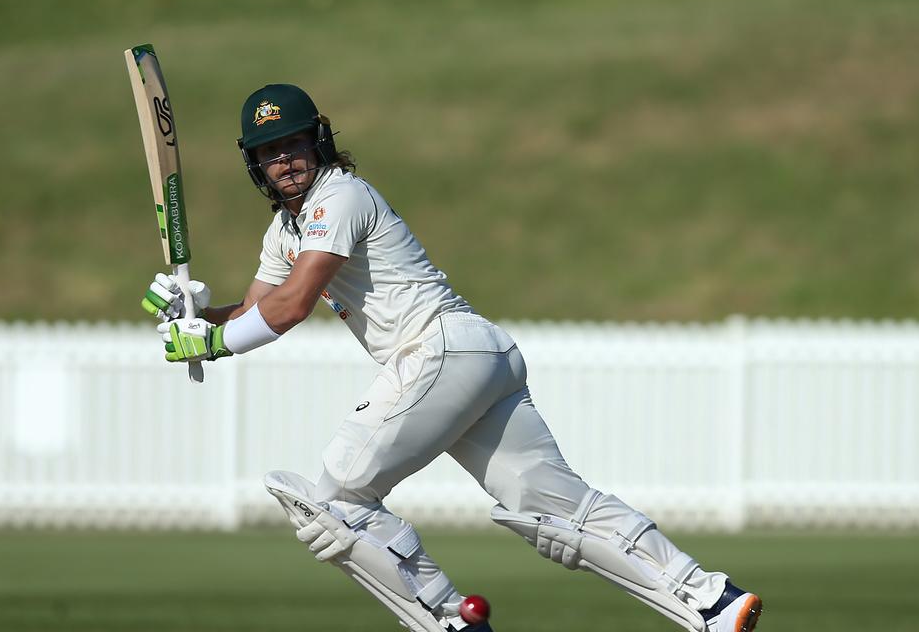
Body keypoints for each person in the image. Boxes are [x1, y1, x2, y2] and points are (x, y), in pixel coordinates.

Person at [141, 84, 764, 632]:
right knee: (555, 507)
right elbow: (258, 305)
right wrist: (197, 314)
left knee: (335, 501)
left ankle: (446, 618)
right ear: (256, 165)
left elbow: (292, 307)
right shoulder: (287, 231)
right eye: (270, 151)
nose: (285, 160)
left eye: (294, 144)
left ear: (319, 143)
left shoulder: (341, 196)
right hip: (476, 355)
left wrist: (212, 342)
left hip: (435, 350)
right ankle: (711, 600)